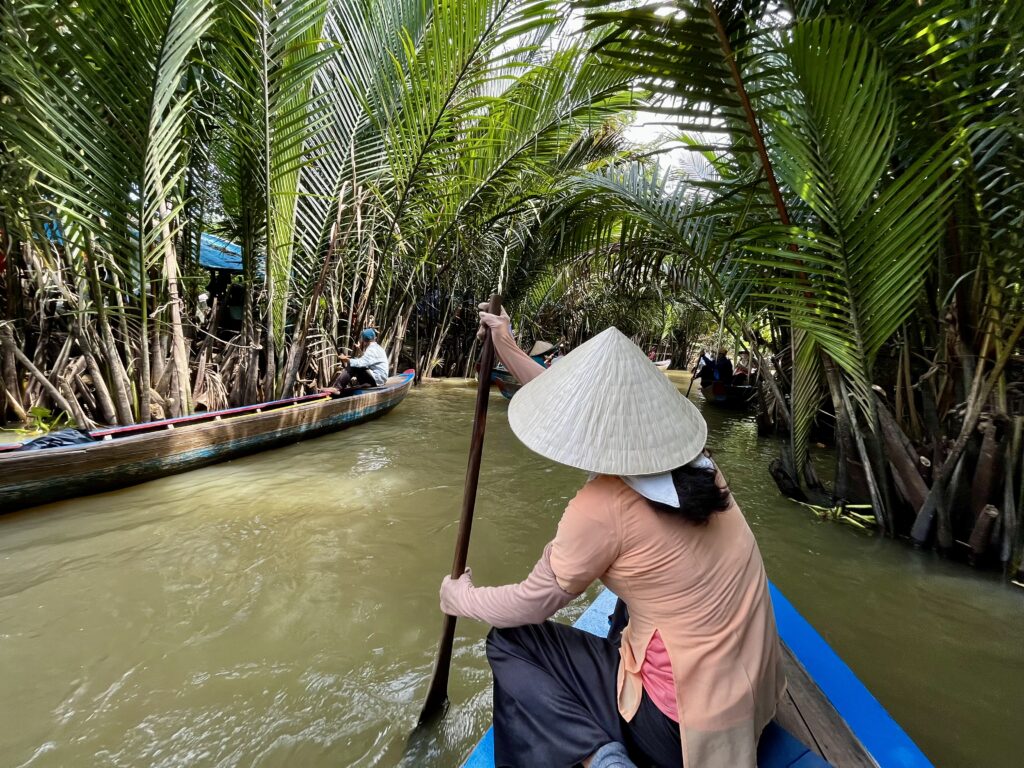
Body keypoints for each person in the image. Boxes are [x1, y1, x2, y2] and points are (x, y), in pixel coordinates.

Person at [439, 305, 785, 768]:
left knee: (511, 641)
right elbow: (555, 397)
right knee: (627, 601)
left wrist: (460, 598)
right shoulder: (703, 467)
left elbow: (530, 603)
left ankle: (598, 755)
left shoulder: (601, 507)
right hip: (751, 706)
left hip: (679, 733)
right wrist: (506, 343)